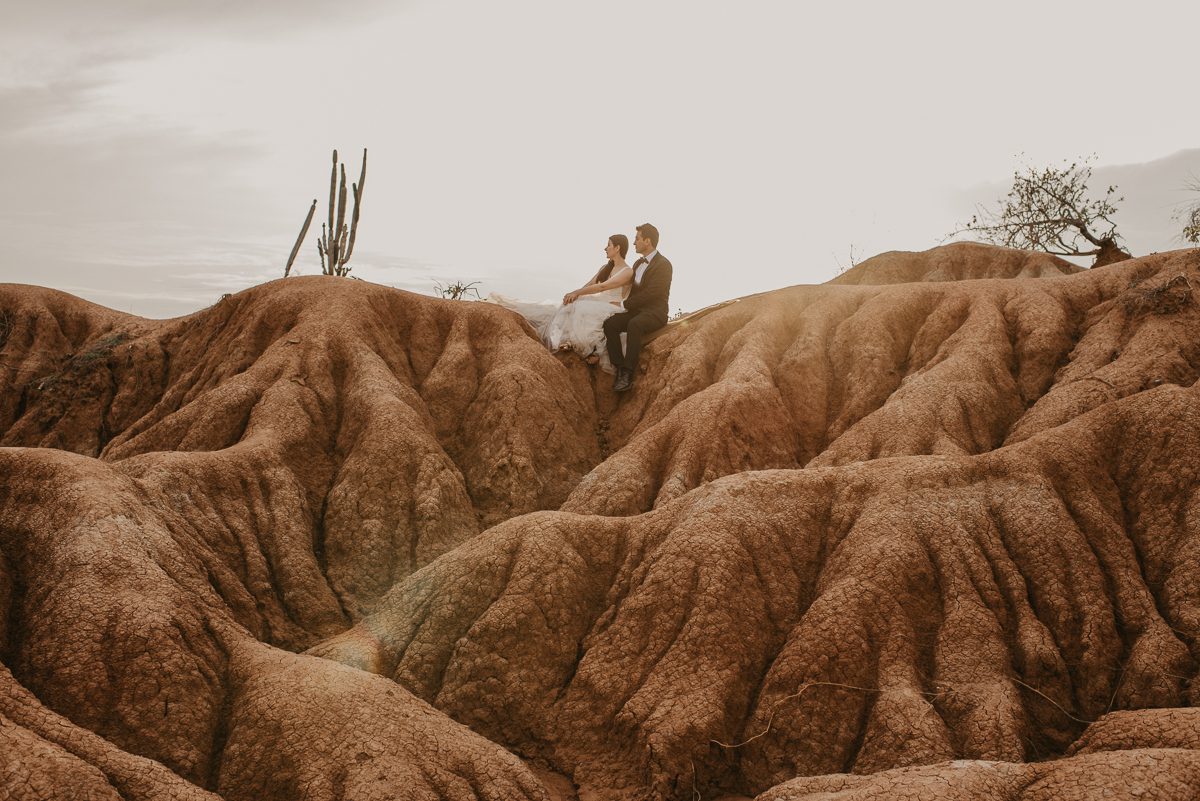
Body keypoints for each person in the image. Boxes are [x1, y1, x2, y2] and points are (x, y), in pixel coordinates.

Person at [486, 234, 633, 371]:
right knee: (572, 305)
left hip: (612, 307)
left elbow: (602, 287)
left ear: (618, 248)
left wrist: (577, 294)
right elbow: (590, 284)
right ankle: (566, 341)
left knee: (583, 309)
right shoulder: (605, 268)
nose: (605, 248)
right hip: (599, 303)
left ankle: (586, 349)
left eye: (608, 245)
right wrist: (574, 295)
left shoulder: (627, 271)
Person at [604, 223, 672, 392]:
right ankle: (619, 367)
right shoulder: (636, 264)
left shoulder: (664, 264)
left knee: (635, 324)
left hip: (655, 312)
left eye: (637, 238)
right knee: (610, 324)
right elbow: (632, 291)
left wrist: (624, 304)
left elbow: (652, 293)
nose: (634, 243)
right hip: (636, 311)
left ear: (647, 241)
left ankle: (627, 373)